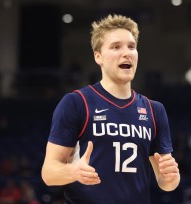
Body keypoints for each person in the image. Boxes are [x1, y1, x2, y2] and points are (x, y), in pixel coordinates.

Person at [41, 14, 180, 204]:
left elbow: (165, 182)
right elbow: (49, 173)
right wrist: (73, 171)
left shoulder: (154, 110)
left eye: (132, 46)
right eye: (116, 47)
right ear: (98, 56)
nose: (127, 53)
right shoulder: (76, 102)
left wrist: (171, 178)